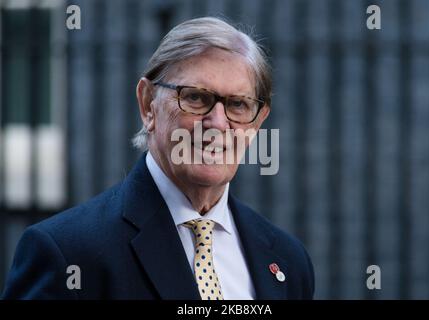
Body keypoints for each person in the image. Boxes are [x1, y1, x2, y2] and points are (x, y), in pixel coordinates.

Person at [2, 17, 314, 300]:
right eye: (195, 97)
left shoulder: (288, 260)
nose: (219, 124)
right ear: (149, 104)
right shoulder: (67, 253)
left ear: (257, 123)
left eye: (238, 105)